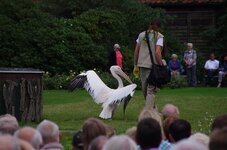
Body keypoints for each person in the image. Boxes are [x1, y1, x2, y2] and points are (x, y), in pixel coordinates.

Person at [133, 19, 164, 109]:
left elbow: (136, 51)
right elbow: (157, 53)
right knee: (150, 91)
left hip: (141, 65)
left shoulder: (141, 35)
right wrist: (161, 65)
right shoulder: (159, 36)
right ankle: (149, 113)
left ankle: (153, 110)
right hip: (153, 67)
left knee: (145, 91)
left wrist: (135, 65)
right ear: (158, 27)